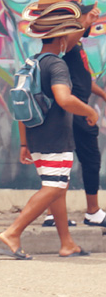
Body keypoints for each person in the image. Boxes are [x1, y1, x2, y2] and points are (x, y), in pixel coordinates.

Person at [0, 9, 98, 259]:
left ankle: (67, 243)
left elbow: (20, 104)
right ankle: (12, 232)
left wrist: (23, 143)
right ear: (61, 39)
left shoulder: (32, 62)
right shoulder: (57, 64)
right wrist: (89, 111)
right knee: (53, 187)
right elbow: (64, 99)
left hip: (36, 138)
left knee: (57, 188)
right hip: (56, 139)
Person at [45, 15, 106, 228]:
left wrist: (103, 94)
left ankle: (56, 214)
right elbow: (65, 46)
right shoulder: (64, 42)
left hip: (77, 109)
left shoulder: (76, 44)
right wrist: (84, 21)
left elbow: (83, 78)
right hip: (74, 110)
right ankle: (91, 212)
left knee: (69, 161)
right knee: (80, 160)